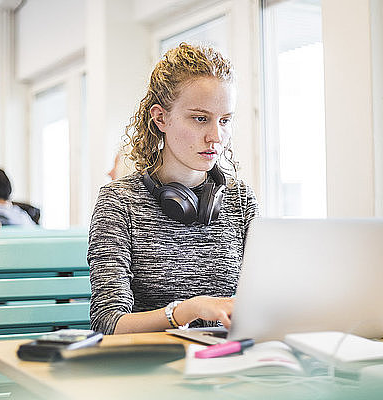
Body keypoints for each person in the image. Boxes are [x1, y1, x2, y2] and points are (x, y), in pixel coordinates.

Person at [87, 43, 259, 335]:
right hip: (149, 368)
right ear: (160, 118)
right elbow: (108, 323)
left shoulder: (241, 199)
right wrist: (185, 311)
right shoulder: (119, 203)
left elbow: (261, 301)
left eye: (225, 121)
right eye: (200, 118)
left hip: (226, 363)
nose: (216, 136)